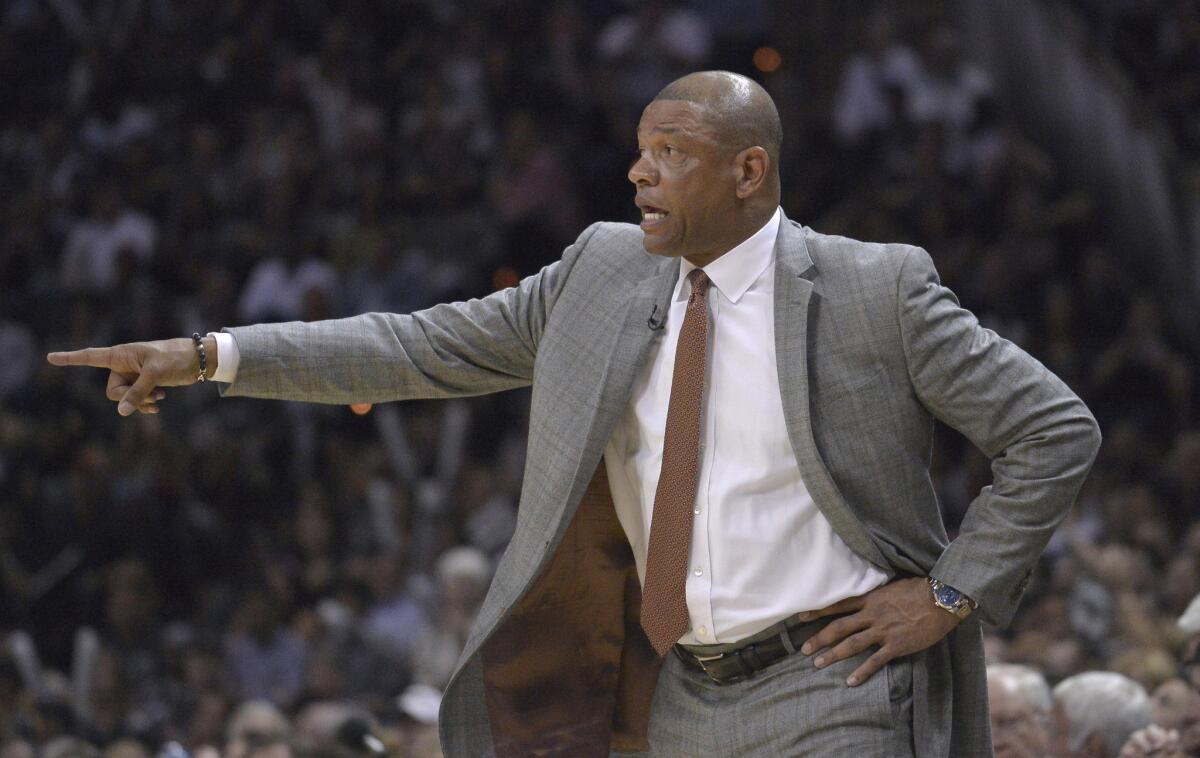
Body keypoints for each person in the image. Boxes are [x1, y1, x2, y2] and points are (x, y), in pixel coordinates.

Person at [47, 71, 1101, 756]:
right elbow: (421, 343)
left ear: (749, 171)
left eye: (672, 150)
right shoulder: (600, 269)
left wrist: (952, 591)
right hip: (678, 694)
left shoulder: (876, 288)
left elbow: (1054, 428)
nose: (640, 169)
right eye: (641, 147)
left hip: (837, 688)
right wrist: (207, 356)